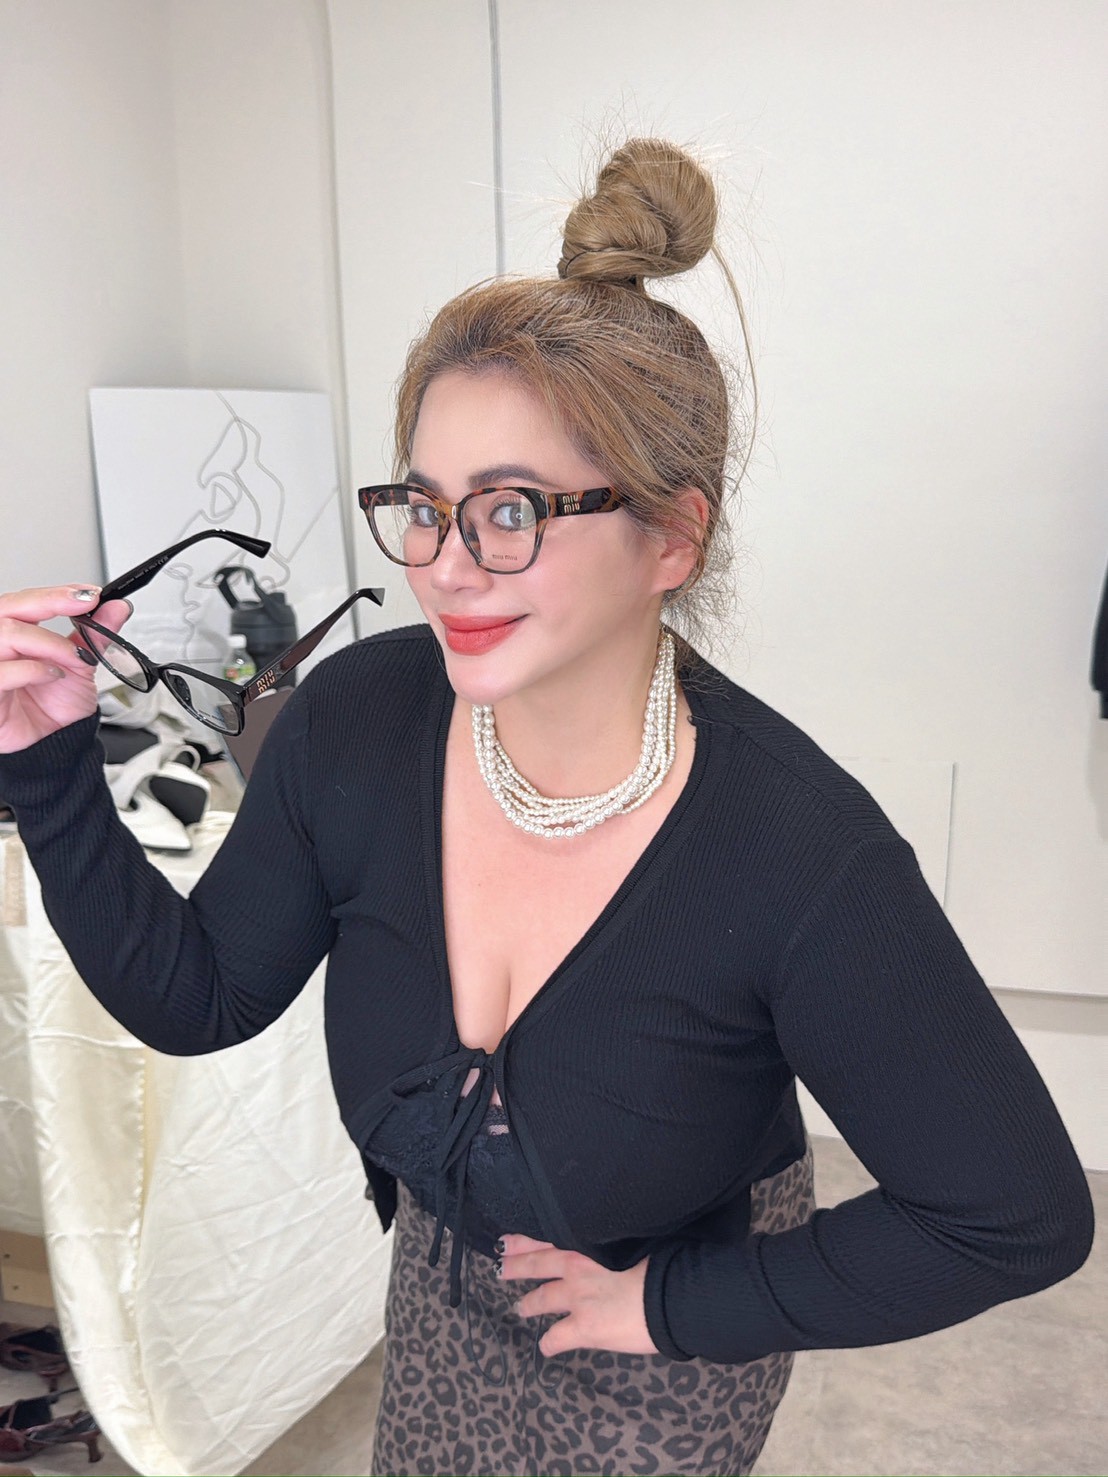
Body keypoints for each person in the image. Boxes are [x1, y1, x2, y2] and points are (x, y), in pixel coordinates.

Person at [0, 138, 1094, 1477]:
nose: (447, 568)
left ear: (672, 537)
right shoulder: (357, 724)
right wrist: (47, 764)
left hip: (662, 1355)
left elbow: (1010, 1216)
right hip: (442, 1297)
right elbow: (203, 996)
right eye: (425, 506)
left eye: (511, 510)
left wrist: (670, 1306)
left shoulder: (798, 854)